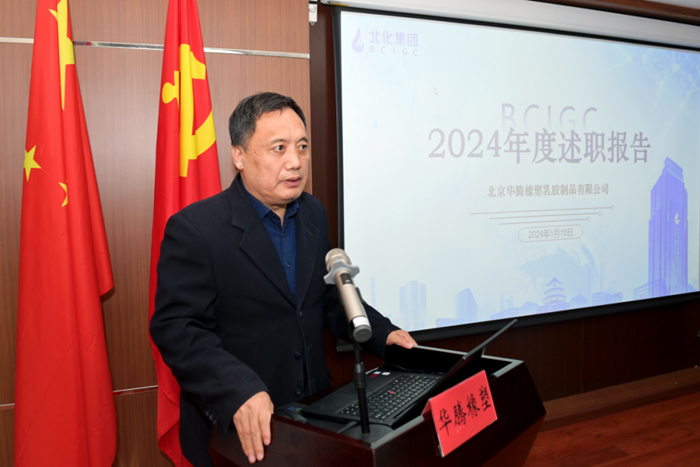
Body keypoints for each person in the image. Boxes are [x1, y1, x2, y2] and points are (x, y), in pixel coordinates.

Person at [150, 92, 416, 467]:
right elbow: (177, 329)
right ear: (239, 155)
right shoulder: (196, 229)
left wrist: (383, 334)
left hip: (313, 419)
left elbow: (327, 297)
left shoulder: (313, 213)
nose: (295, 162)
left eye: (302, 147)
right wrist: (237, 389)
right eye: (279, 148)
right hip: (236, 432)